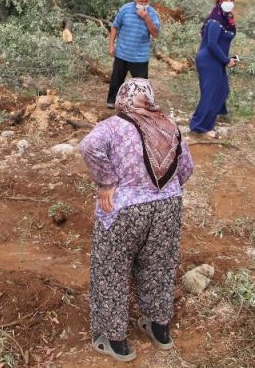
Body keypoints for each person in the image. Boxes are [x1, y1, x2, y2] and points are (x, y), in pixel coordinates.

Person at [79, 78, 194, 362]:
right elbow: (187, 167)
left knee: (112, 271)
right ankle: (159, 329)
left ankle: (115, 341)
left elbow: (88, 146)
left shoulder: (111, 127)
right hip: (167, 208)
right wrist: (167, 191)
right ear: (150, 99)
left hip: (124, 210)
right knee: (159, 267)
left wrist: (107, 182)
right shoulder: (168, 125)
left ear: (122, 99)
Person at [189, 0, 238, 137]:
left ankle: (204, 122)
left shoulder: (227, 18)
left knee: (222, 91)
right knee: (210, 93)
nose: (229, 3)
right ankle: (200, 127)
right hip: (209, 60)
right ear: (219, 1)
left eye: (231, 0)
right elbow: (211, 44)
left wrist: (228, 58)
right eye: (225, 0)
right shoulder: (216, 20)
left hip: (217, 59)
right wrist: (226, 60)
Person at [106, 0, 162, 109]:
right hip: (122, 53)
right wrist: (111, 45)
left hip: (140, 57)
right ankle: (112, 101)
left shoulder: (151, 13)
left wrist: (146, 18)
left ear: (149, 0)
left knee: (141, 86)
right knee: (116, 80)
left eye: (146, 2)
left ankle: (141, 105)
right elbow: (115, 27)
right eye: (141, 1)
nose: (143, 4)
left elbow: (156, 34)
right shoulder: (125, 9)